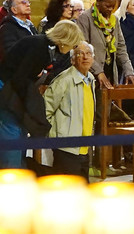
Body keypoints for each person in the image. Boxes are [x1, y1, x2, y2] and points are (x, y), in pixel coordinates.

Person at [0, 20, 84, 168]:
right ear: (65, 40)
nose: (73, 48)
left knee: (21, 129)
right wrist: (26, 104)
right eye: (73, 43)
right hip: (2, 85)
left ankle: (19, 172)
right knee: (11, 130)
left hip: (11, 84)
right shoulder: (39, 47)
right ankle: (10, 177)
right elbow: (20, 77)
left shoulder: (44, 45)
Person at [43, 41, 96, 180]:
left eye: (88, 54)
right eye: (80, 54)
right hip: (66, 146)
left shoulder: (91, 79)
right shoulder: (64, 80)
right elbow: (46, 109)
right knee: (67, 190)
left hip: (84, 145)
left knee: (83, 190)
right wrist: (55, 133)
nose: (85, 57)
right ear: (72, 60)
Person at [75, 0, 134, 88]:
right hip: (91, 73)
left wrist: (129, 71)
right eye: (107, 6)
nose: (110, 9)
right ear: (98, 1)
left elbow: (121, 48)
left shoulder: (114, 20)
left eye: (113, 6)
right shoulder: (85, 18)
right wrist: (98, 71)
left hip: (110, 72)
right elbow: (82, 47)